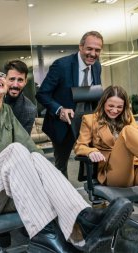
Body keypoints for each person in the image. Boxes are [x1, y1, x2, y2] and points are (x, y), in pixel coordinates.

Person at [0, 67, 133, 253]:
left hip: (4, 197)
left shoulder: (7, 112)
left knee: (34, 155)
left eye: (0, 75)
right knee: (16, 150)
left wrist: (49, 179)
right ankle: (47, 238)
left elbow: (33, 150)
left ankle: (84, 222)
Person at [36, 31, 103, 178]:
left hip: (87, 120)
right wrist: (59, 109)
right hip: (63, 122)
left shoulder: (97, 67)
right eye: (89, 49)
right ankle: (61, 196)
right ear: (80, 47)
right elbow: (42, 94)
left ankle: (93, 192)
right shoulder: (62, 65)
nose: (93, 53)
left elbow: (95, 93)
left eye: (97, 50)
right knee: (61, 165)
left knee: (92, 158)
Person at [4, 60, 37, 134]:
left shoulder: (29, 110)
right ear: (4, 79)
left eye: (20, 80)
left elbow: (21, 142)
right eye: (12, 79)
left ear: (25, 82)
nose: (15, 85)